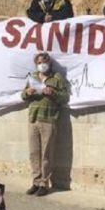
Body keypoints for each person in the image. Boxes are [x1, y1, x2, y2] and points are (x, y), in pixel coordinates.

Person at [21, 51, 69, 196]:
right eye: (39, 62)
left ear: (49, 63)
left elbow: (65, 97)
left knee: (46, 154)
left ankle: (44, 184)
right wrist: (28, 92)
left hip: (48, 119)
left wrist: (52, 93)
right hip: (33, 119)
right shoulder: (33, 77)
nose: (42, 65)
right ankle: (36, 182)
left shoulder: (57, 78)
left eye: (44, 62)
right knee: (34, 153)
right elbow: (23, 95)